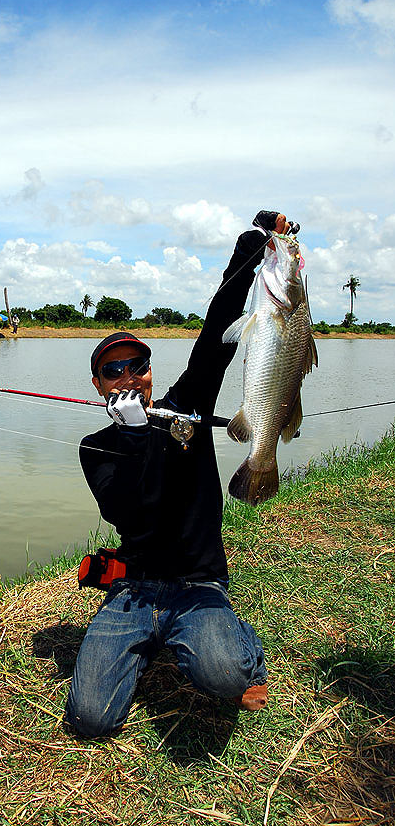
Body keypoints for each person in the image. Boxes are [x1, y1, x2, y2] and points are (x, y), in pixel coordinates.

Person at [64, 210, 289, 738]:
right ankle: (143, 647)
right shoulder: (97, 446)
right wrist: (135, 437)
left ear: (149, 370)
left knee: (224, 674)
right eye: (112, 370)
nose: (127, 377)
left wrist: (254, 247)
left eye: (136, 365)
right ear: (97, 383)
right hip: (134, 586)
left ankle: (237, 644)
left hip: (198, 581)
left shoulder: (185, 405)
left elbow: (217, 336)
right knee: (90, 719)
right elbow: (131, 515)